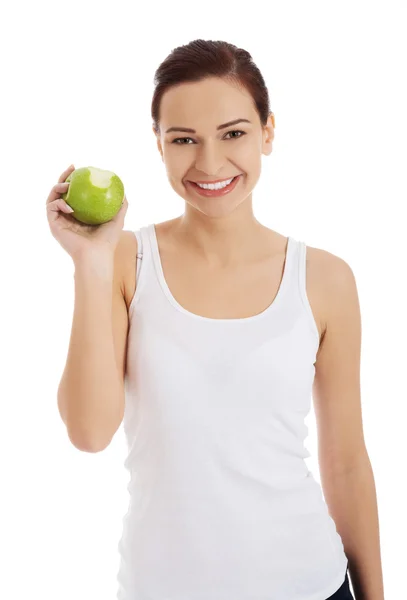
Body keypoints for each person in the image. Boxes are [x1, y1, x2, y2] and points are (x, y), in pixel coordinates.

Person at [47, 39, 384, 600]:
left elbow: (346, 463)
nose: (208, 163)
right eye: (183, 140)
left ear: (268, 133)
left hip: (311, 583)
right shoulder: (125, 263)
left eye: (233, 134)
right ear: (157, 145)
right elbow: (88, 431)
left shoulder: (325, 279)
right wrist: (90, 264)